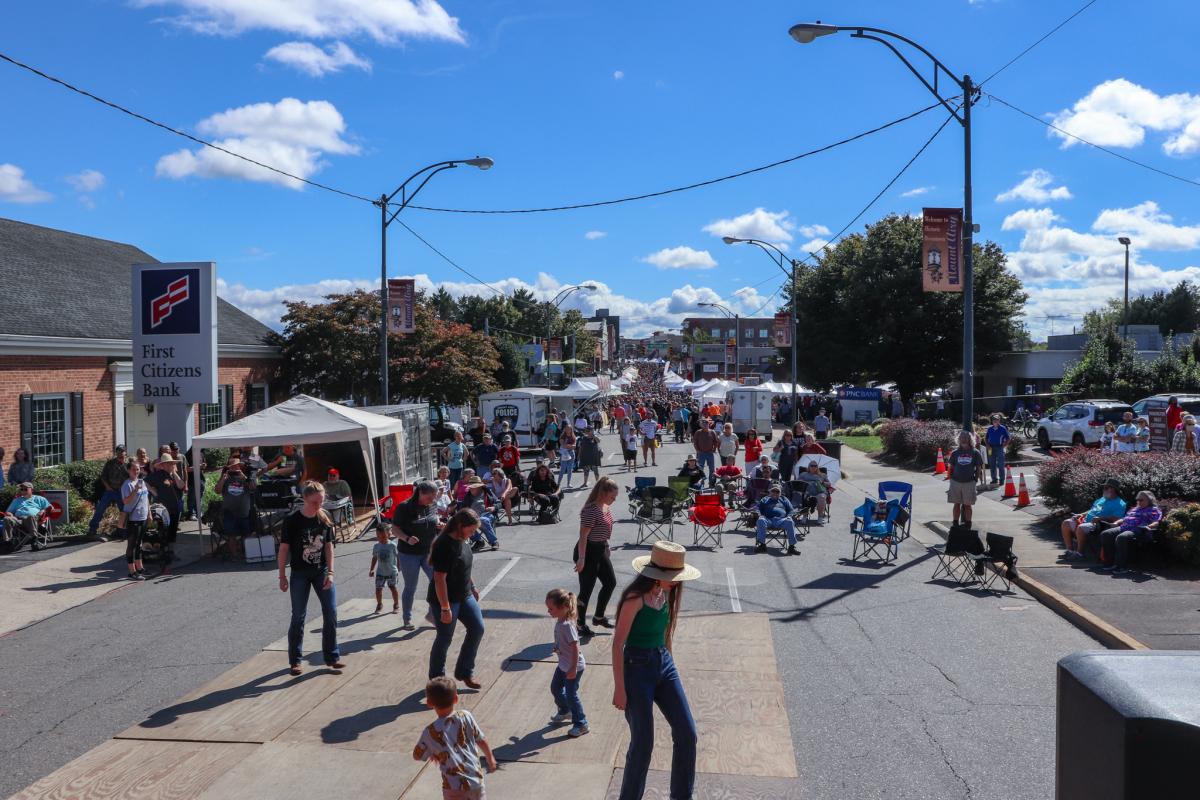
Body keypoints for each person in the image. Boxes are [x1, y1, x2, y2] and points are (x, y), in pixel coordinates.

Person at [612, 541, 700, 800]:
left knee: (687, 733)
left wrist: (671, 666)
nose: (675, 581)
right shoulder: (634, 598)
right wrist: (620, 689)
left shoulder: (668, 592)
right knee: (642, 744)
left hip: (663, 664)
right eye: (671, 576)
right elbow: (618, 644)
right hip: (636, 668)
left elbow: (666, 632)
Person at [278, 481, 343, 676]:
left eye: (321, 501)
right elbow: (283, 549)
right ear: (305, 499)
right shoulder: (292, 520)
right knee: (298, 616)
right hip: (300, 573)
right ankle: (295, 660)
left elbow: (329, 547)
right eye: (315, 502)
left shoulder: (325, 518)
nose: (319, 505)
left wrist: (331, 572)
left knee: (330, 612)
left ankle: (332, 656)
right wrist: (282, 576)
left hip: (321, 570)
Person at [427, 508, 486, 688]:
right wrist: (445, 608)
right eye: (472, 529)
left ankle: (464, 672)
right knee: (445, 638)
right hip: (446, 600)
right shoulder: (445, 544)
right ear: (461, 526)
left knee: (477, 628)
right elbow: (439, 579)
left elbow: (464, 568)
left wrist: (473, 586)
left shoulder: (463, 539)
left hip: (465, 595)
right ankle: (437, 682)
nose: (474, 533)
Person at [413, 676, 496, 800]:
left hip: (453, 787)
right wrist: (490, 759)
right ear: (456, 699)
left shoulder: (430, 732)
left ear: (429, 703)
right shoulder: (466, 716)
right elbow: (481, 740)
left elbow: (417, 755)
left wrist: (433, 752)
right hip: (476, 782)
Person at [573, 476, 619, 638]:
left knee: (610, 582)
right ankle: (580, 624)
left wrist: (606, 546)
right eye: (612, 496)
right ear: (603, 493)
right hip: (588, 551)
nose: (614, 500)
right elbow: (583, 536)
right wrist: (581, 558)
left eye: (615, 497)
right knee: (586, 590)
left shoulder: (605, 507)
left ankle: (598, 617)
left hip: (600, 549)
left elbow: (603, 530)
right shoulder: (590, 510)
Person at [392, 480, 441, 630]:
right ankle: (407, 619)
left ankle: (432, 615)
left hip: (429, 552)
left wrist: (439, 524)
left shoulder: (432, 505)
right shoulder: (404, 507)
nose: (432, 501)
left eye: (434, 497)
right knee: (411, 587)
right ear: (420, 493)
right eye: (429, 497)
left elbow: (434, 518)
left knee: (438, 582)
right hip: (409, 554)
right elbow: (394, 529)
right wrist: (407, 538)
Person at [546, 588, 589, 738]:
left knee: (571, 695)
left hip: (574, 667)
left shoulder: (567, 625)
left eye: (551, 608)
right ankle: (565, 711)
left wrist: (572, 669)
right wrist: (557, 647)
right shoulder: (560, 622)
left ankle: (581, 723)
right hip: (564, 664)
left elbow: (576, 648)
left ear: (563, 607)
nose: (548, 611)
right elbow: (563, 641)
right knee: (555, 688)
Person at [1060, 478, 1126, 560]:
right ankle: (1069, 551)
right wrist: (1080, 514)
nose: (1104, 489)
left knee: (1081, 528)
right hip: (1086, 521)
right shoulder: (1102, 499)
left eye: (1106, 487)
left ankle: (1080, 554)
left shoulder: (1120, 503)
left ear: (1113, 489)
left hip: (1099, 525)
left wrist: (1100, 518)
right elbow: (1092, 510)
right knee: (1066, 523)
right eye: (1104, 487)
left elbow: (1117, 518)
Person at [1099, 491, 1163, 573]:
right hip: (1124, 527)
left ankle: (1122, 566)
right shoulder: (1134, 509)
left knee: (1122, 537)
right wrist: (1116, 523)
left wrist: (1149, 526)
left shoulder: (1154, 510)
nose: (1139, 502)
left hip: (1139, 530)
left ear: (1149, 500)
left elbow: (1156, 522)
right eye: (1137, 500)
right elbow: (1124, 518)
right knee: (1106, 534)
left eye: (1141, 500)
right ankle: (1110, 562)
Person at [145, 454, 185, 566]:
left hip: (175, 507)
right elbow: (144, 482)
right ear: (163, 465)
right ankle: (163, 552)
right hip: (163, 509)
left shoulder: (174, 475)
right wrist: (153, 492)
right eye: (169, 463)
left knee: (173, 531)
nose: (171, 465)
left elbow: (181, 486)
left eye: (172, 463)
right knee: (163, 530)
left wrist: (175, 473)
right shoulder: (158, 475)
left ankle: (170, 552)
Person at [89, 445, 129, 539]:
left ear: (125, 452)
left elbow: (131, 476)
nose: (120, 453)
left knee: (123, 511)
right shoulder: (110, 463)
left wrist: (123, 464)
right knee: (100, 508)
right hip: (110, 490)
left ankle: (123, 531)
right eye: (119, 451)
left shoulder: (128, 464)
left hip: (121, 492)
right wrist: (108, 487)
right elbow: (103, 477)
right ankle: (92, 528)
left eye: (122, 451)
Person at [947, 431, 983, 528]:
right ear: (958, 439)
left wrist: (975, 479)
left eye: (966, 437)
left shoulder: (975, 452)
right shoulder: (955, 453)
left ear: (969, 439)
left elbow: (979, 467)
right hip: (956, 482)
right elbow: (951, 466)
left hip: (969, 482)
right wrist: (951, 479)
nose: (963, 439)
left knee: (968, 505)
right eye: (961, 437)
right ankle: (955, 523)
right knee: (956, 504)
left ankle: (968, 524)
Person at [120, 462, 149, 580]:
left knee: (139, 543)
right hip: (133, 519)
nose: (136, 471)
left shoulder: (142, 482)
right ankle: (132, 571)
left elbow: (146, 498)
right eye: (133, 469)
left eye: (137, 469)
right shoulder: (126, 485)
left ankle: (140, 567)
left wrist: (149, 514)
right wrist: (135, 490)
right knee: (132, 545)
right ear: (128, 471)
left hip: (143, 517)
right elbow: (125, 501)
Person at [754, 484, 799, 555]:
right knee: (760, 520)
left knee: (790, 521)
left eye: (777, 491)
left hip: (781, 520)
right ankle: (762, 545)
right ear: (770, 492)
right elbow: (757, 508)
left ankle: (792, 547)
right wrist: (760, 515)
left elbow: (791, 510)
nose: (775, 493)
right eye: (773, 491)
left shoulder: (784, 499)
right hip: (768, 519)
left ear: (780, 493)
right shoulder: (765, 499)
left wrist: (789, 516)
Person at [216, 462, 256, 540]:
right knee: (231, 536)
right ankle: (234, 552)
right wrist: (223, 479)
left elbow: (253, 488)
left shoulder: (246, 477)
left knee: (247, 534)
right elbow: (217, 491)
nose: (234, 468)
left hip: (245, 513)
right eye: (232, 466)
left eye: (236, 466)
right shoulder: (225, 478)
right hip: (229, 512)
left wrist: (244, 477)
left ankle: (245, 551)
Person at [462, 477, 499, 551]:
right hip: (473, 517)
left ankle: (494, 542)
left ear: (479, 487)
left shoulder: (488, 493)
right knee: (463, 523)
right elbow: (463, 508)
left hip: (487, 514)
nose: (471, 489)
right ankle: (478, 541)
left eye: (473, 487)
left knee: (482, 520)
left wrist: (494, 508)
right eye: (471, 487)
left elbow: (499, 503)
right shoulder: (468, 496)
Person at [368, 526, 400, 615]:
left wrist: (399, 567)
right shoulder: (376, 546)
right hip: (380, 572)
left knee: (393, 588)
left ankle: (396, 604)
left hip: (392, 572)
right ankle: (379, 604)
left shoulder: (392, 545)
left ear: (388, 535)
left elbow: (398, 556)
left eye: (383, 536)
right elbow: (374, 558)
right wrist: (372, 569)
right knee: (378, 589)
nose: (380, 539)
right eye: (378, 536)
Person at [985, 414, 1010, 484]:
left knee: (1000, 464)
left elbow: (1008, 438)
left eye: (997, 420)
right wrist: (987, 445)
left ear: (999, 420)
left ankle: (1001, 479)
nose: (995, 421)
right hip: (990, 448)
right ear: (992, 421)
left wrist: (1004, 445)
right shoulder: (989, 429)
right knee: (992, 464)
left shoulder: (1003, 428)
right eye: (994, 420)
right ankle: (994, 479)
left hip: (999, 447)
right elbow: (986, 438)